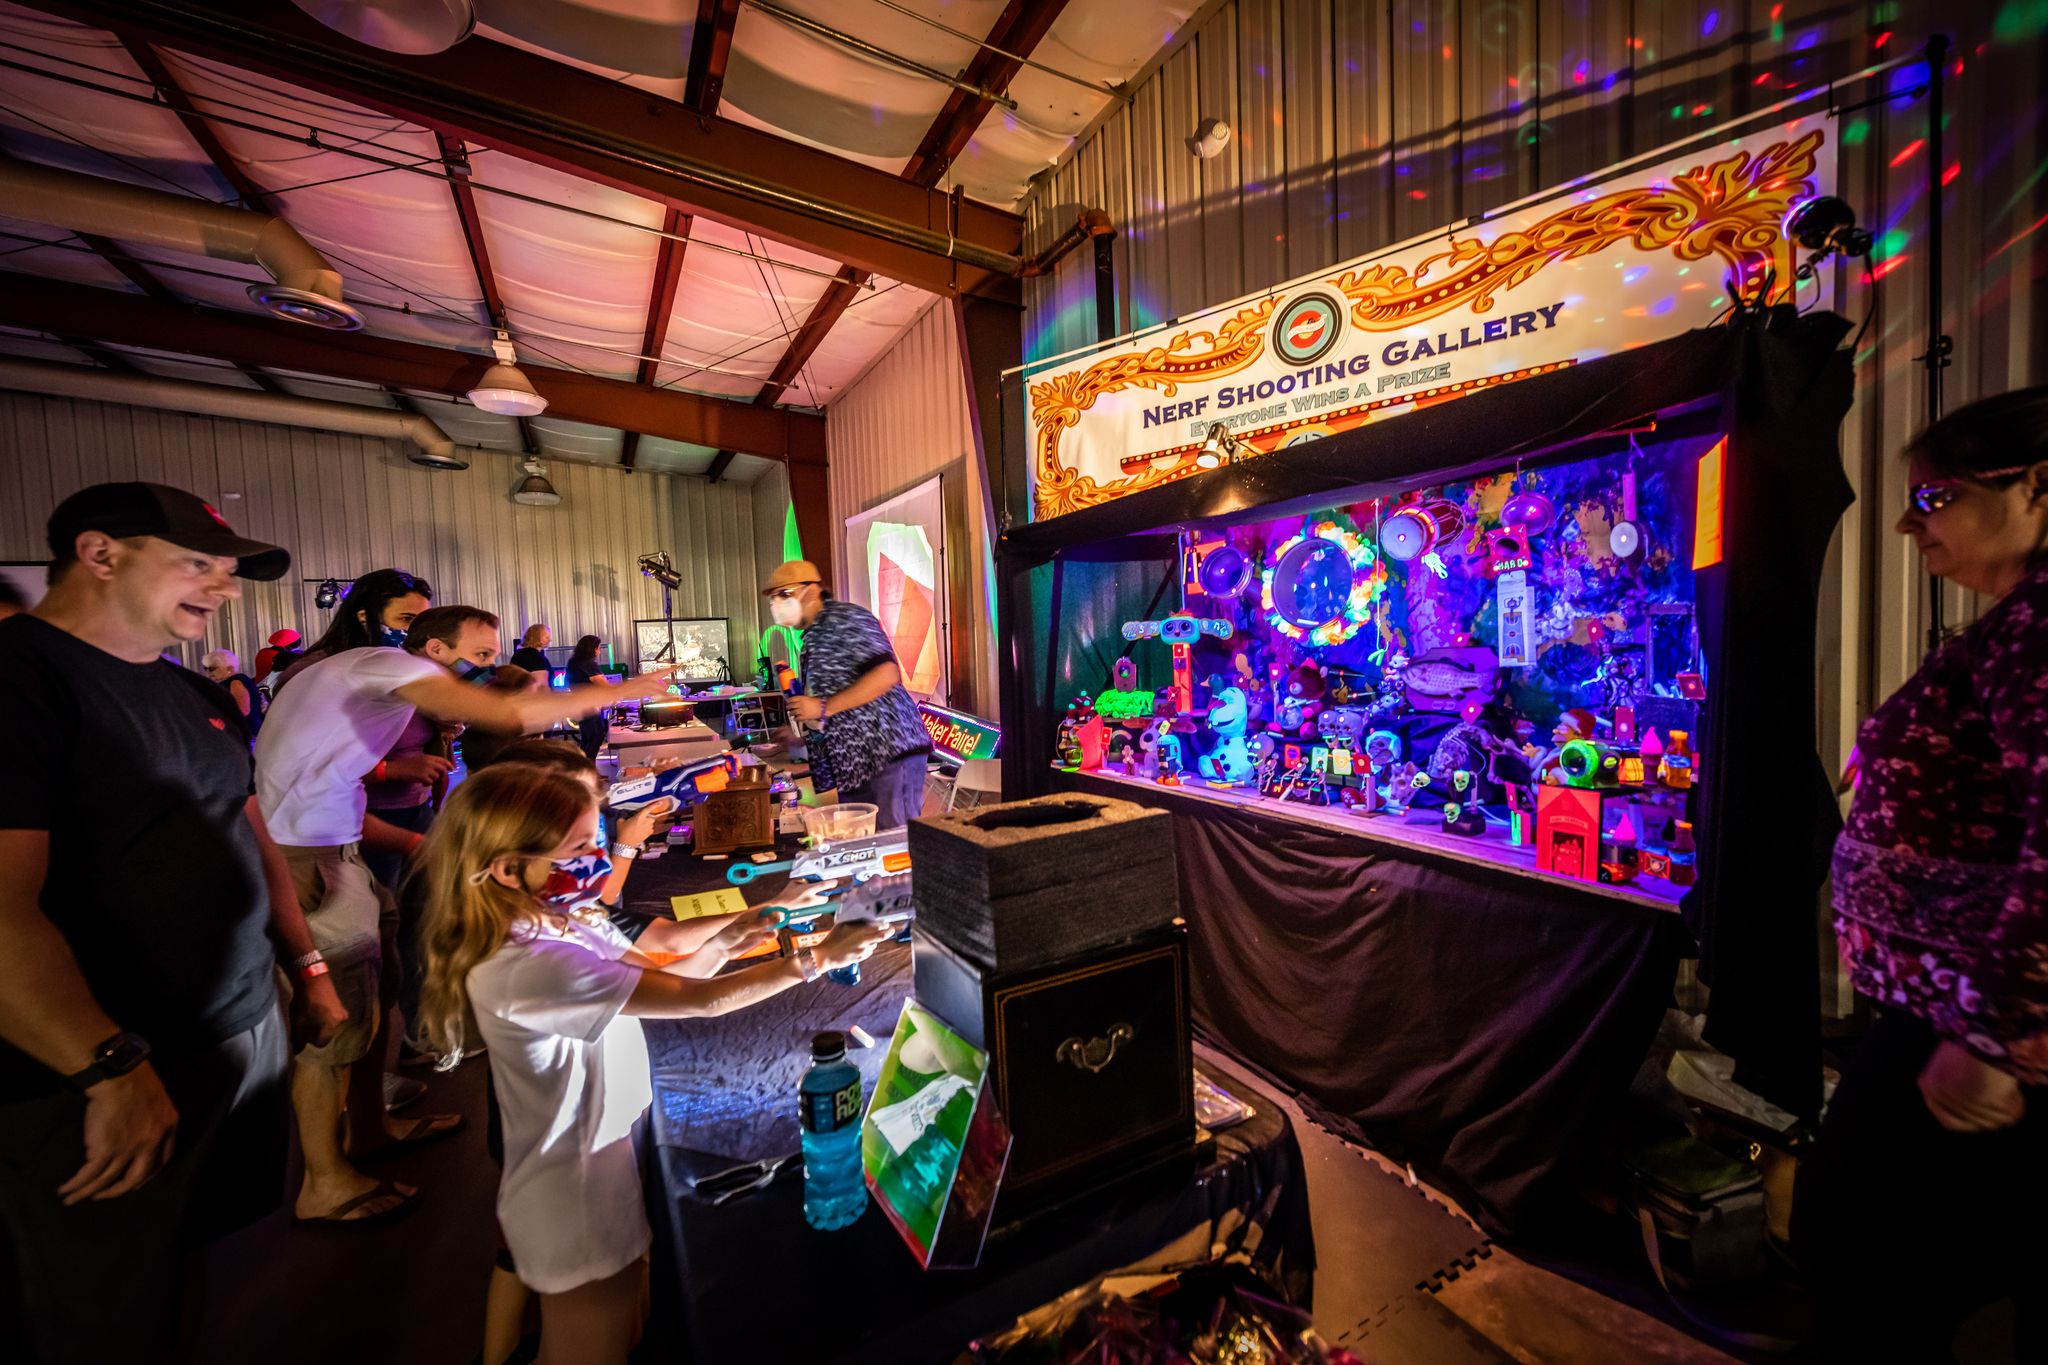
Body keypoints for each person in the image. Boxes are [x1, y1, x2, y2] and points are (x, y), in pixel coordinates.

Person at [0, 482, 345, 1365]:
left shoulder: (194, 691)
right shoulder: (21, 680)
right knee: (101, 1308)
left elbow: (249, 832)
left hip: (234, 1026)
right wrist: (108, 1066)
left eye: (230, 571)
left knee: (183, 1258)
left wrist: (306, 970)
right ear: (99, 552)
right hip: (98, 1066)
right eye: (199, 564)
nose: (226, 588)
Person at [415, 763, 887, 1365]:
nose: (597, 858)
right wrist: (816, 958)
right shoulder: (530, 964)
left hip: (591, 1173)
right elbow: (702, 1001)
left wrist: (735, 937)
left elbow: (656, 982)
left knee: (622, 1332)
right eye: (581, 847)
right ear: (509, 868)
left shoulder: (553, 925)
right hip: (574, 1196)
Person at [255, 605, 674, 1227]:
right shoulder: (386, 664)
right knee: (333, 1025)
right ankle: (324, 1179)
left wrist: (409, 843)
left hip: (342, 850)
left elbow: (321, 784)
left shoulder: (371, 685)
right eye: (478, 657)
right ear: (432, 649)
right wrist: (635, 687)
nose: (487, 670)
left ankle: (370, 1127)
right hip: (309, 862)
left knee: (378, 998)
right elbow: (505, 715)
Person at [1799, 387, 2048, 1362]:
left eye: (1935, 496)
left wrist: (1993, 1032)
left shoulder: (2037, 629)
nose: (1906, 519)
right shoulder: (2018, 625)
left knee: (1855, 1253)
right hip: (1957, 1018)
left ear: (2033, 488)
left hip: (1971, 1028)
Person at [763, 560, 932, 829]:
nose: (777, 604)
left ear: (811, 590)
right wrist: (800, 740)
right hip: (855, 764)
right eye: (774, 598)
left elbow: (886, 673)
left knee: (892, 846)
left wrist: (820, 707)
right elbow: (839, 706)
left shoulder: (844, 618)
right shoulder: (813, 636)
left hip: (886, 751)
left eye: (784, 594)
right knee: (863, 847)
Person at [567, 634, 612, 762]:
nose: (599, 651)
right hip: (590, 707)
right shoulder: (588, 664)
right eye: (598, 648)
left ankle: (584, 768)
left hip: (578, 705)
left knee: (586, 740)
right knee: (596, 738)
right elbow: (603, 684)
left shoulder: (572, 662)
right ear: (592, 649)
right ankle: (589, 769)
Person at [200, 648, 264, 738]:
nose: (208, 672)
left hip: (243, 733)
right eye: (206, 668)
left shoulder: (235, 681)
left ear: (230, 668)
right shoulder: (231, 681)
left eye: (212, 668)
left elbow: (242, 710)